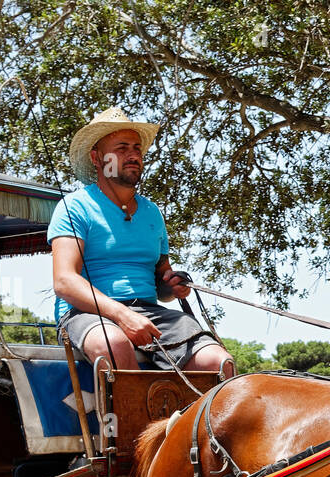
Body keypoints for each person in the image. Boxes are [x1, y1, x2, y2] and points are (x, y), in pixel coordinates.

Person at [49, 107, 234, 377]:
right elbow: (65, 281)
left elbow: (163, 288)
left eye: (136, 147)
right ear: (97, 158)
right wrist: (122, 315)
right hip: (86, 314)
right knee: (113, 343)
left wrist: (173, 285)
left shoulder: (152, 213)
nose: (133, 154)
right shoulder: (75, 206)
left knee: (219, 363)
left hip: (149, 311)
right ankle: (134, 419)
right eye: (121, 147)